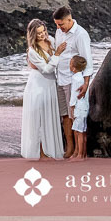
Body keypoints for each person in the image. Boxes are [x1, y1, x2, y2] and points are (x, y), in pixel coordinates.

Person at [20, 18, 67, 160]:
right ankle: (40, 152)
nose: (42, 35)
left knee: (50, 118)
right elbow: (46, 69)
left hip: (51, 85)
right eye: (39, 33)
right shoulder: (32, 51)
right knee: (39, 120)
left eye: (44, 31)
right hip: (38, 87)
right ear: (33, 34)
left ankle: (50, 150)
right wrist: (57, 54)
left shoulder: (51, 41)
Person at [52, 5, 92, 159]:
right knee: (65, 116)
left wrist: (86, 83)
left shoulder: (81, 34)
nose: (58, 27)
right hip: (60, 79)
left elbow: (87, 60)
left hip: (73, 81)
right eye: (56, 24)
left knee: (73, 115)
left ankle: (79, 151)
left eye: (61, 24)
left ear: (69, 19)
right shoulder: (58, 32)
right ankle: (69, 147)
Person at [67, 55, 90, 161]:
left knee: (78, 131)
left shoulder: (75, 78)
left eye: (70, 63)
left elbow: (73, 95)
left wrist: (71, 107)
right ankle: (84, 153)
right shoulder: (82, 78)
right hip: (84, 107)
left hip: (79, 108)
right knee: (83, 131)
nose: (69, 64)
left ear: (73, 68)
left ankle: (80, 155)